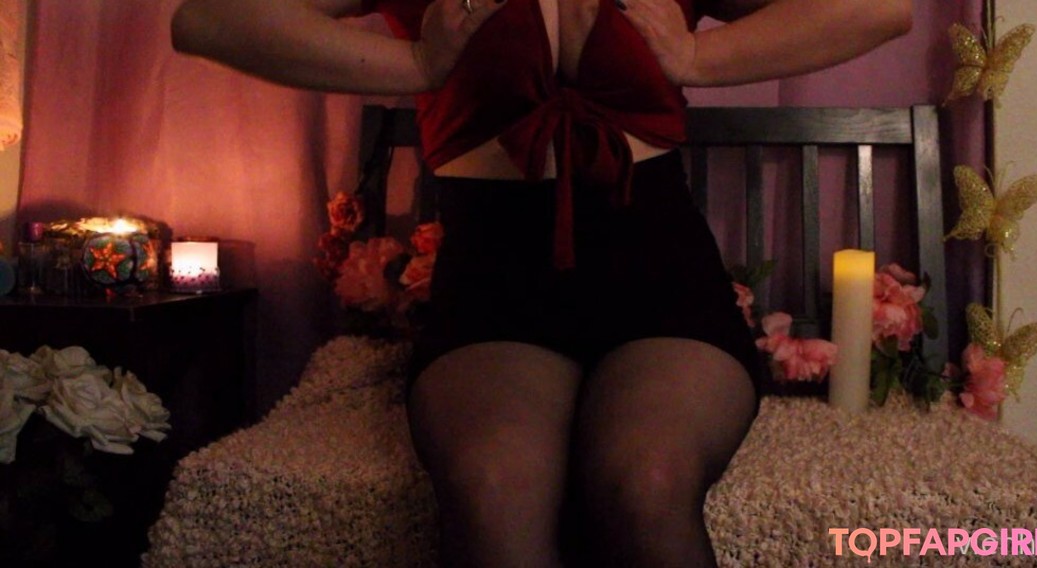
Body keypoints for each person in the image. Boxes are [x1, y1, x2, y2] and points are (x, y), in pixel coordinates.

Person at [171, 1, 912, 566]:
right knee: (493, 488)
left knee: (646, 481)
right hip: (495, 279)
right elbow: (209, 19)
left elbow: (878, 8)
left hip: (657, 273)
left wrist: (698, 56)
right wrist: (417, 65)